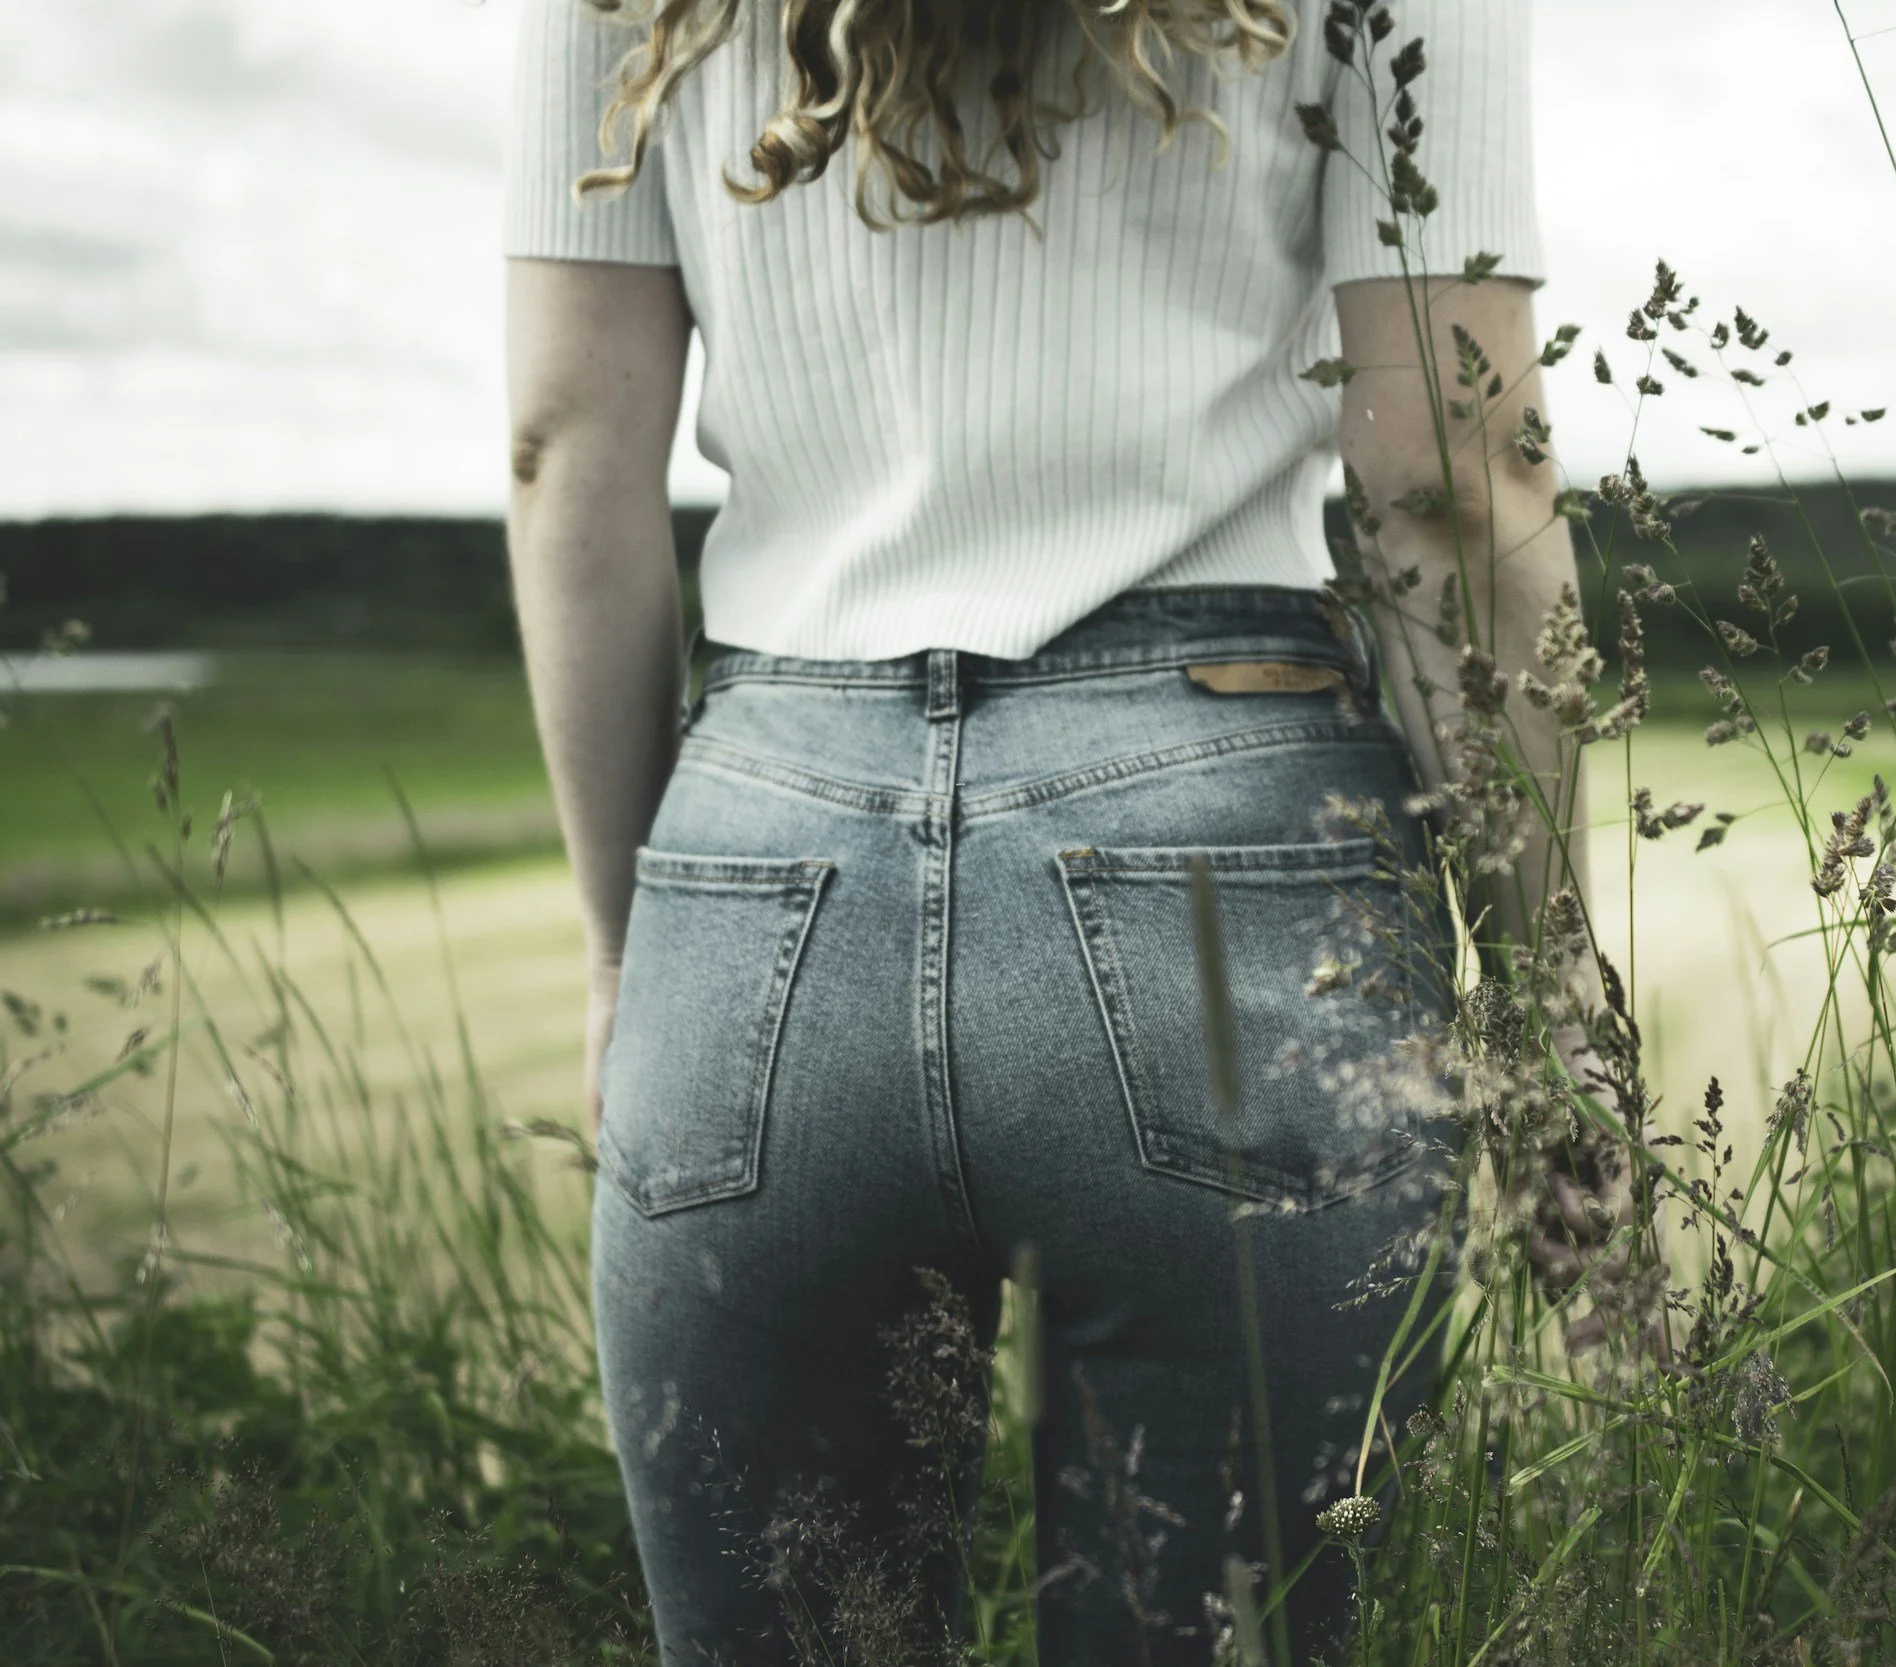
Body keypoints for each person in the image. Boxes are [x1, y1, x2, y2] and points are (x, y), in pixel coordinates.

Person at [501, 0, 1594, 1658]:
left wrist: (617, 946)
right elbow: (1455, 485)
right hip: (1228, 893)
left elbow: (567, 448)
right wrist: (1549, 1003)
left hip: (760, 884)